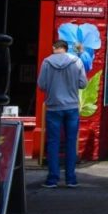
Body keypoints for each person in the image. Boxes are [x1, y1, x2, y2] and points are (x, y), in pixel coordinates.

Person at [37, 40, 89, 188]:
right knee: (71, 142)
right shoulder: (76, 61)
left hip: (53, 107)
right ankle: (71, 179)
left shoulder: (47, 62)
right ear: (66, 49)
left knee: (53, 143)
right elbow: (83, 84)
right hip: (71, 107)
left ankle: (52, 179)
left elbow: (41, 85)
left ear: (54, 48)